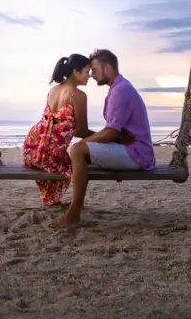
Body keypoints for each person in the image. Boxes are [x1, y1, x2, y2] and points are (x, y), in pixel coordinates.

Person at [51, 48, 156, 228]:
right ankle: (78, 204)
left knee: (77, 150)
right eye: (89, 71)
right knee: (79, 153)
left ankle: (74, 214)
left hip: (135, 153)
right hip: (129, 148)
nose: (91, 75)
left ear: (107, 68)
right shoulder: (118, 88)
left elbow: (110, 132)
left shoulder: (121, 90)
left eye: (94, 70)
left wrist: (83, 143)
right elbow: (112, 133)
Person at [23, 53, 93, 205]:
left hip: (31, 150)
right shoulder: (79, 96)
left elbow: (52, 123)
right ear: (76, 71)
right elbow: (81, 131)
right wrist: (107, 135)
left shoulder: (53, 90)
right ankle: (74, 206)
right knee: (78, 167)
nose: (90, 76)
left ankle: (52, 201)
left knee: (71, 160)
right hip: (49, 155)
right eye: (87, 71)